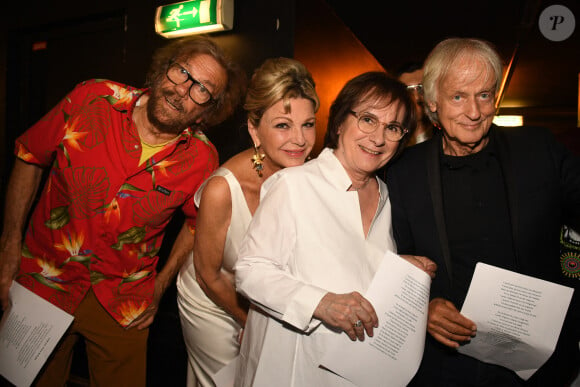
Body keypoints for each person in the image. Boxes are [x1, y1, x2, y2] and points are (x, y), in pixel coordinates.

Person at [0, 36, 246, 386]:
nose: (183, 91)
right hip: (44, 280)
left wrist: (160, 286)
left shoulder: (201, 159)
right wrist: (9, 244)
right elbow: (30, 155)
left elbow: (195, 225)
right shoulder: (92, 98)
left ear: (208, 111)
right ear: (163, 70)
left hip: (124, 303)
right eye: (181, 73)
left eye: (202, 89)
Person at [386, 38, 580, 386]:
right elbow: (391, 260)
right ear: (432, 101)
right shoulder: (404, 172)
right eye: (458, 96)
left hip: (536, 368)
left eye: (484, 95)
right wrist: (424, 306)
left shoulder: (538, 150)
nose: (474, 112)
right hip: (447, 367)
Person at [233, 71, 437, 386]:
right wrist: (321, 303)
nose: (378, 138)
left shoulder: (385, 195)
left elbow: (353, 261)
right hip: (298, 368)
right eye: (368, 120)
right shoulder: (294, 185)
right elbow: (250, 271)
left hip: (357, 367)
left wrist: (398, 269)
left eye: (393, 128)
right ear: (340, 122)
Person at [176, 57, 320, 387]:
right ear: (255, 130)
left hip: (265, 300)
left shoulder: (312, 177)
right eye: (283, 125)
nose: (299, 139)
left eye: (308, 124)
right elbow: (207, 273)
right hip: (212, 297)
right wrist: (253, 324)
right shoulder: (222, 189)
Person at [396, 62, 433, 146]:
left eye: (421, 88)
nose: (416, 97)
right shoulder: (393, 140)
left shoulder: (447, 135)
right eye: (409, 90)